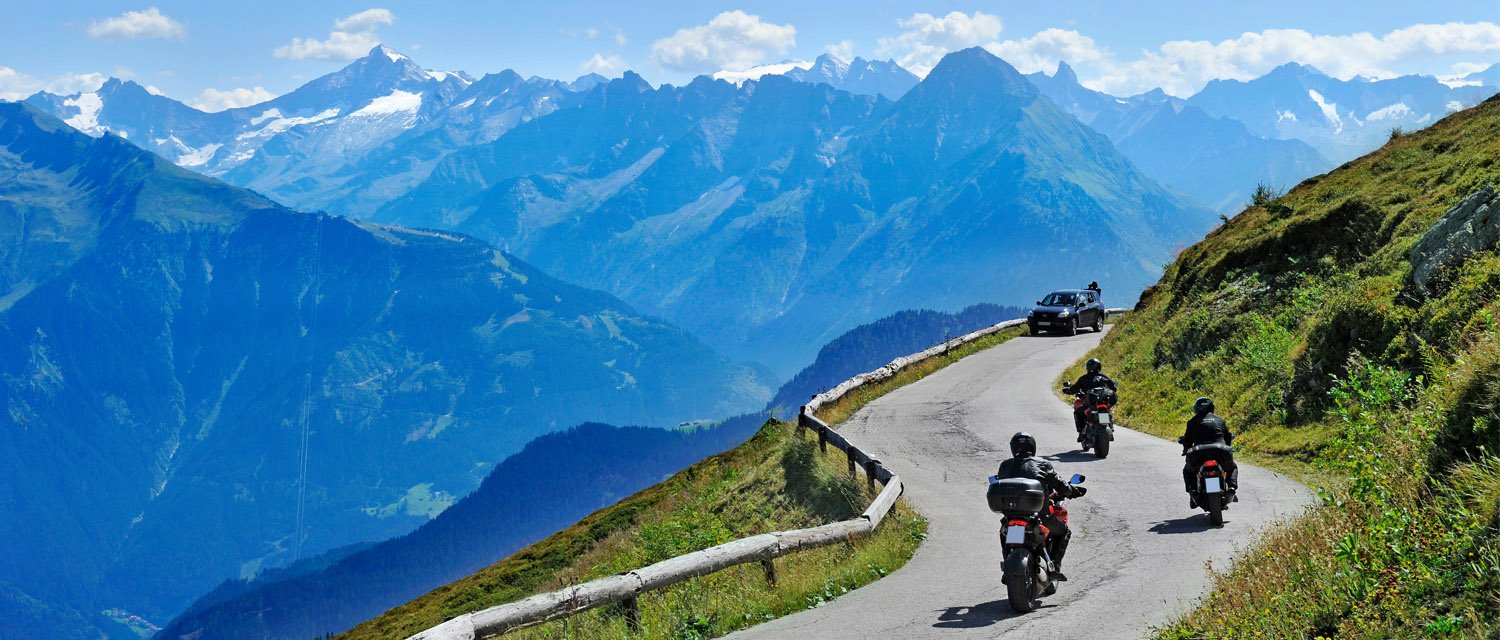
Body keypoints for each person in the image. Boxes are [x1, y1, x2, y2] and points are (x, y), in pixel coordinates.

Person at [997, 431, 1086, 580]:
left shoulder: (1005, 466)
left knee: (1004, 532)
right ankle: (1054, 568)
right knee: (1064, 531)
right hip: (1040, 517)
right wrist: (1072, 491)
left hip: (1012, 517)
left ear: (1013, 448)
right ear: (1032, 447)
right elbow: (1060, 485)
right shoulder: (1042, 464)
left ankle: (1008, 566)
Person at [1179, 397, 1238, 507]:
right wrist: (1227, 448)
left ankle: (1193, 490)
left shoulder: (1192, 422)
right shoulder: (1219, 420)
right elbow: (1228, 437)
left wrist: (1185, 450)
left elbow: (1187, 440)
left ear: (1196, 410)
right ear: (1212, 408)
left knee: (1188, 471)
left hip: (1198, 452)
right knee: (1232, 467)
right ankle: (1231, 486)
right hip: (1220, 450)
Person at [1063, 358, 1117, 442]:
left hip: (1091, 402)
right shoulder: (1105, 377)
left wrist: (1068, 391)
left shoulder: (1084, 378)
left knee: (1078, 409)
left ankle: (1081, 432)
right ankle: (1110, 427)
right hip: (1104, 401)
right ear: (1099, 366)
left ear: (1087, 368)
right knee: (1107, 410)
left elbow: (1074, 389)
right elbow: (1113, 388)